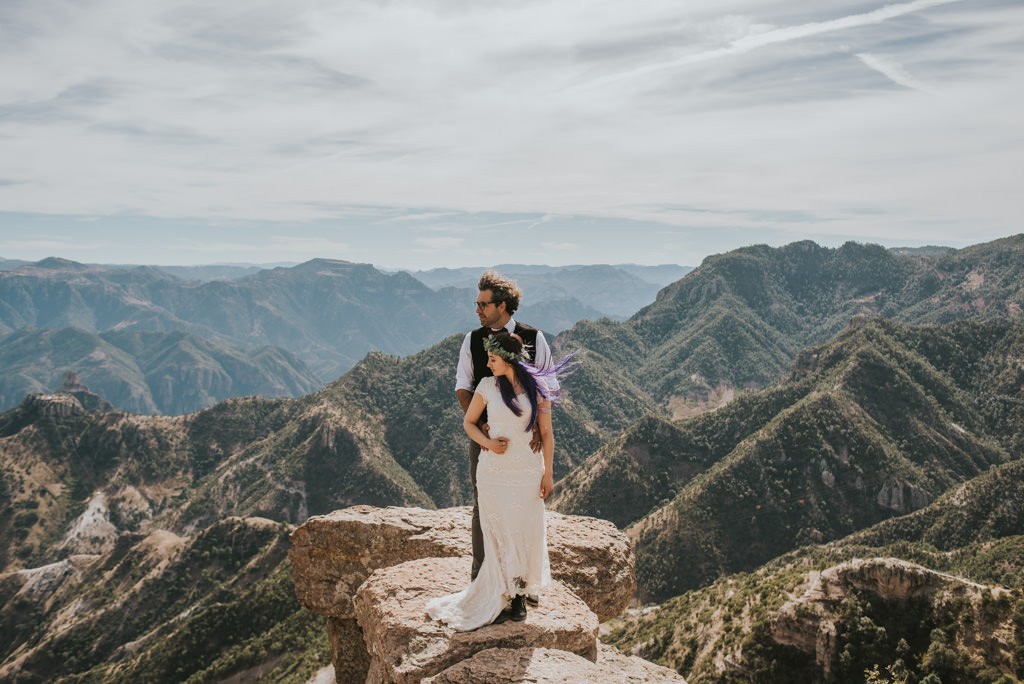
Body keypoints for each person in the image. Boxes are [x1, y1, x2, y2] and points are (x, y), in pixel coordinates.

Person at [427, 332, 570, 630]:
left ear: (507, 360)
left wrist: (548, 473)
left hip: (528, 471)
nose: (489, 364)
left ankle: (520, 590)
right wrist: (488, 444)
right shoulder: (487, 386)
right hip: (494, 472)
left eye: (493, 359)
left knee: (525, 530)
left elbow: (546, 434)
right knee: (500, 532)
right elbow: (469, 422)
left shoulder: (538, 390)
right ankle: (507, 592)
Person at [453, 272, 557, 586]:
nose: (478, 311)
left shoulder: (534, 337)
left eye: (484, 304)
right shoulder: (472, 340)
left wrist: (539, 426)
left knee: (525, 506)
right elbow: (462, 386)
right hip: (488, 437)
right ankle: (481, 576)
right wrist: (482, 427)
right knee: (483, 503)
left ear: (503, 306)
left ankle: (522, 579)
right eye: (477, 304)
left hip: (526, 444)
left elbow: (547, 385)